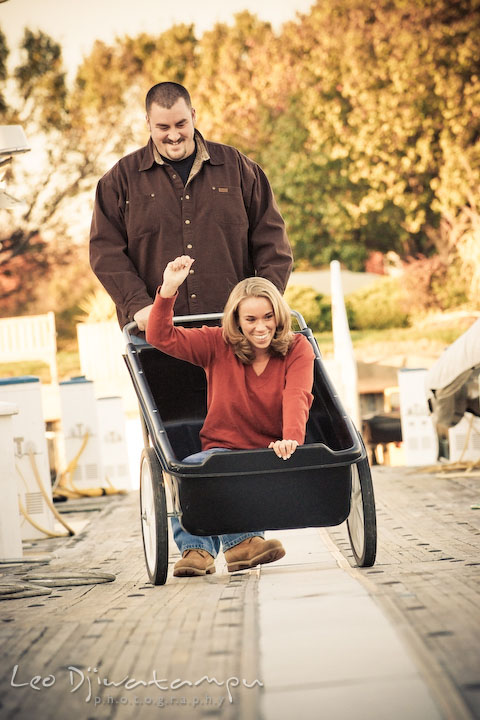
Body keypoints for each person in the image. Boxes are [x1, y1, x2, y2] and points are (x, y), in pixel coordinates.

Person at [146, 255, 315, 578]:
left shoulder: (297, 347)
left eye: (268, 317)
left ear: (279, 315)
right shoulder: (217, 342)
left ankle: (242, 545)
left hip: (268, 450)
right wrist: (168, 289)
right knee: (195, 468)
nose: (261, 326)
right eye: (250, 319)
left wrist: (291, 437)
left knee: (241, 471)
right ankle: (198, 550)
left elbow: (298, 394)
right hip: (221, 449)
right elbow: (160, 337)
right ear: (236, 320)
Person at [90, 81, 293, 333]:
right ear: (147, 123)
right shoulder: (118, 181)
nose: (173, 136)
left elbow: (272, 242)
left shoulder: (238, 168)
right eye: (163, 127)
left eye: (181, 124)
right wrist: (138, 304)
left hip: (233, 333)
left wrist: (263, 302)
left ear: (194, 115)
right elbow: (106, 253)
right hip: (160, 338)